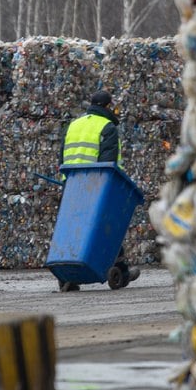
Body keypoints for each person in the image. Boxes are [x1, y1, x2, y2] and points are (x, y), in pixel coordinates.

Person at [56, 90, 139, 292]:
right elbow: (108, 163)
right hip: (96, 187)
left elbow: (62, 158)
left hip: (71, 185)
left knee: (73, 229)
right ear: (107, 106)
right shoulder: (107, 127)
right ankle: (120, 270)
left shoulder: (73, 125)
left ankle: (68, 274)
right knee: (106, 227)